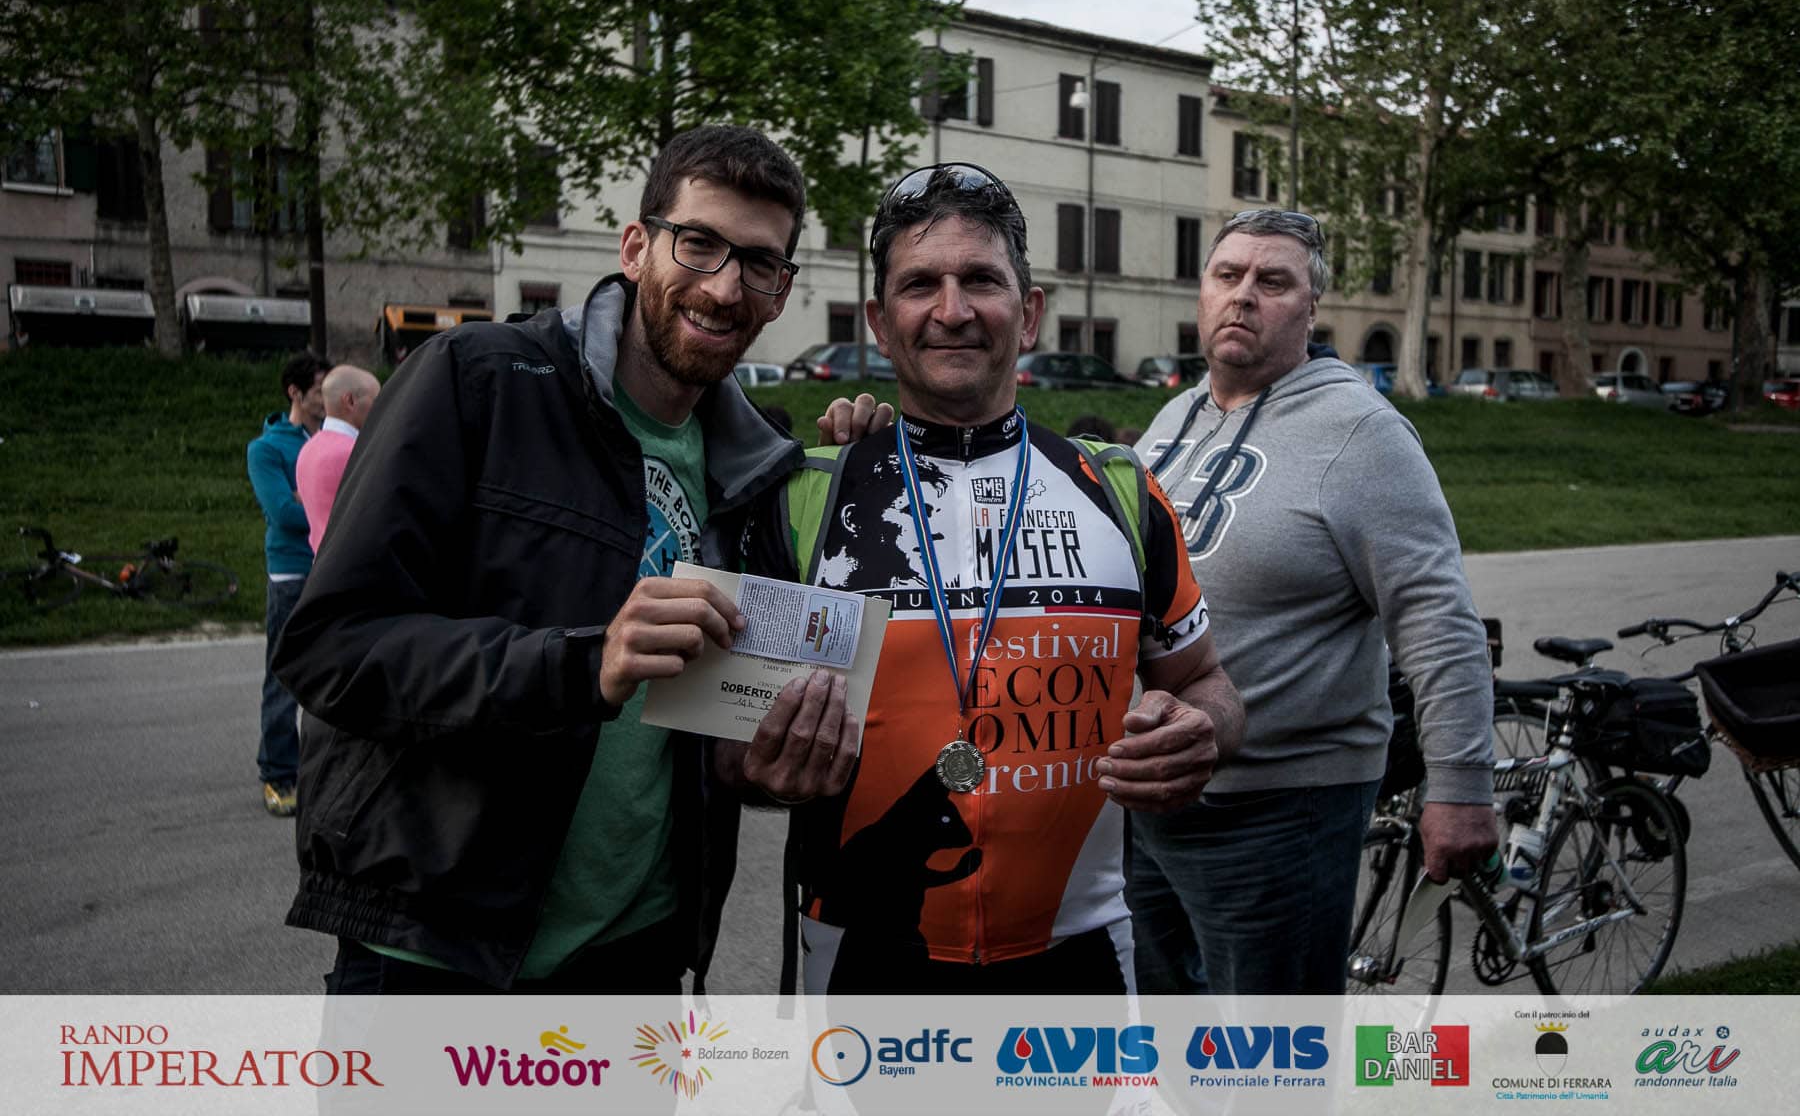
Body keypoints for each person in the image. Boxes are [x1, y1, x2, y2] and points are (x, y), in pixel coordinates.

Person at [272, 125, 869, 994]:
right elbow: (329, 646)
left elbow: (712, 727)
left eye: (759, 263)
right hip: (438, 955)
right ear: (635, 248)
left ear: (781, 291)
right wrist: (583, 666)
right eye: (698, 243)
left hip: (636, 956)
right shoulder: (476, 380)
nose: (724, 286)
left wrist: (759, 767)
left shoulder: (753, 471)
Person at [726, 162, 1244, 995]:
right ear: (880, 323)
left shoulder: (1119, 491)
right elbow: (726, 749)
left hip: (1083, 958)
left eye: (980, 280)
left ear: (1029, 313)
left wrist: (1203, 730)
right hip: (859, 956)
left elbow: (1205, 681)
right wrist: (761, 771)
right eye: (919, 285)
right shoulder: (806, 499)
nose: (952, 310)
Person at [1126, 207, 1496, 995]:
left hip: (1282, 810)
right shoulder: (1174, 418)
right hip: (1152, 804)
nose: (1243, 296)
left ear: (1310, 308)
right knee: (1165, 1035)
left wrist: (1461, 787)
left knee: (1271, 1046)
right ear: (1201, 292)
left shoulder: (1361, 431)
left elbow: (1436, 618)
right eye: (1227, 275)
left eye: (1273, 281)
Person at [245, 350, 329, 818]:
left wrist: (308, 498)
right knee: (284, 676)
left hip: (330, 566)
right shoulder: (266, 449)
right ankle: (278, 773)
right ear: (295, 393)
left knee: (333, 671)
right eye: (317, 390)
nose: (325, 397)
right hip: (292, 573)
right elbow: (283, 513)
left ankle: (324, 766)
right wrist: (323, 501)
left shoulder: (335, 438)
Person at [295, 365, 380, 555]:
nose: (381, 409)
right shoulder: (355, 453)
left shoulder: (308, 449)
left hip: (321, 563)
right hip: (358, 563)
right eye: (376, 400)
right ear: (350, 401)